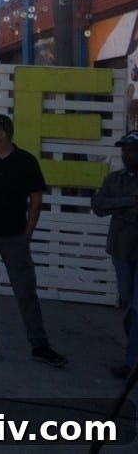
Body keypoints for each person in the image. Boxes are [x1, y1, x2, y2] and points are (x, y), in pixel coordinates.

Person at [0, 113, 67, 367]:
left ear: (1, 134)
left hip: (14, 239)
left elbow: (36, 199)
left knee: (26, 292)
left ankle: (39, 345)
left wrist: (27, 233)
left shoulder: (25, 162)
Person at [92, 130, 138, 379]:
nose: (127, 154)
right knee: (127, 303)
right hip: (121, 249)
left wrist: (119, 206)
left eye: (132, 150)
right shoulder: (115, 179)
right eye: (125, 150)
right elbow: (98, 205)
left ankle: (132, 361)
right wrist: (130, 201)